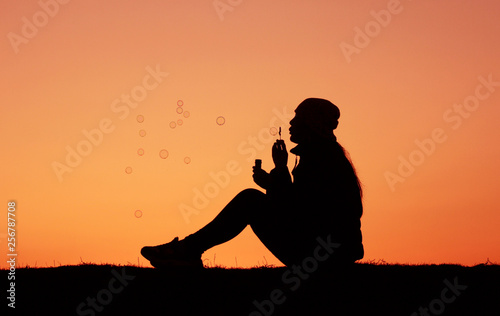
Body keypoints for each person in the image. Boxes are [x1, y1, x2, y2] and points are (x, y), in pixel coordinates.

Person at [141, 98, 364, 269]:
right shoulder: (323, 155)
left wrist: (278, 172)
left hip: (321, 255)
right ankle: (187, 249)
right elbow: (300, 205)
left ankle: (186, 251)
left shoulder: (321, 158)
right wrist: (273, 179)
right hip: (327, 253)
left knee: (249, 200)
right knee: (251, 199)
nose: (291, 122)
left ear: (310, 123)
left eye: (298, 118)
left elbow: (300, 209)